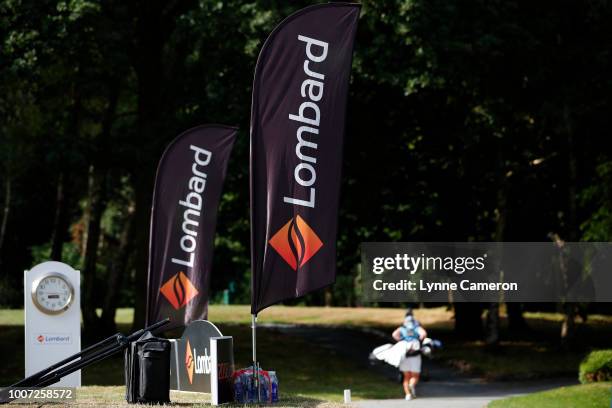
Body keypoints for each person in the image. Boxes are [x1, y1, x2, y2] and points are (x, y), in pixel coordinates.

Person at [392, 308, 427, 401]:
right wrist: (420, 340)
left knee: (406, 376)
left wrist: (401, 340)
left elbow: (394, 334)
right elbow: (423, 334)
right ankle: (412, 385)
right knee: (415, 376)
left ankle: (407, 395)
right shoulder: (416, 326)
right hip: (415, 354)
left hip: (405, 353)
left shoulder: (403, 327)